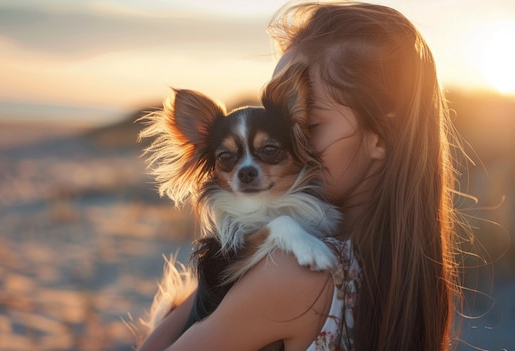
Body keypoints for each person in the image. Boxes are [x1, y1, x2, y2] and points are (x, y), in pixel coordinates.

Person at [138, 1, 463, 350]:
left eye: (307, 125)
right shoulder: (403, 272)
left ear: (382, 136)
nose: (294, 143)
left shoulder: (295, 273)